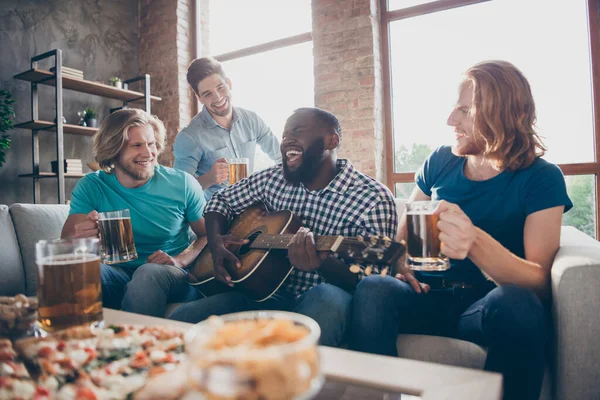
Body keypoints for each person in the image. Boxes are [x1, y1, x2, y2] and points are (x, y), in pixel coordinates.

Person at [349, 60, 573, 400]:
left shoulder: (541, 178)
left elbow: (539, 283)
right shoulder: (440, 161)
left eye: (465, 111)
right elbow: (405, 232)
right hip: (427, 294)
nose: (450, 120)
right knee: (373, 289)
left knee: (518, 304)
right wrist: (399, 262)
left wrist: (475, 242)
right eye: (455, 108)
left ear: (503, 115)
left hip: (483, 303)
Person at [169, 107, 398, 347]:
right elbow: (221, 201)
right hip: (260, 293)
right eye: (285, 134)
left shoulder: (373, 198)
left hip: (322, 298)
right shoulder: (273, 178)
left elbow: (369, 282)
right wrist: (216, 244)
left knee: (327, 297)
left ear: (332, 140)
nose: (286, 140)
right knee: (181, 321)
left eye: (297, 131)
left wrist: (321, 264)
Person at [61, 109, 208, 318]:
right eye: (137, 145)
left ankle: (137, 347)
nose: (148, 153)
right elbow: (67, 240)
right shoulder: (92, 185)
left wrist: (181, 259)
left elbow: (209, 233)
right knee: (79, 269)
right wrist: (81, 236)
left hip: (171, 275)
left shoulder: (182, 183)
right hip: (118, 274)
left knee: (147, 274)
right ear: (114, 149)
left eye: (151, 144)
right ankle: (76, 344)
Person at [173, 56, 281, 201]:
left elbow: (281, 158)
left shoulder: (251, 120)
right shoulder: (189, 137)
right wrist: (209, 178)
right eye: (207, 94)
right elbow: (180, 191)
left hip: (252, 208)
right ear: (199, 98)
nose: (217, 98)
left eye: (220, 87)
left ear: (229, 83)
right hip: (215, 215)